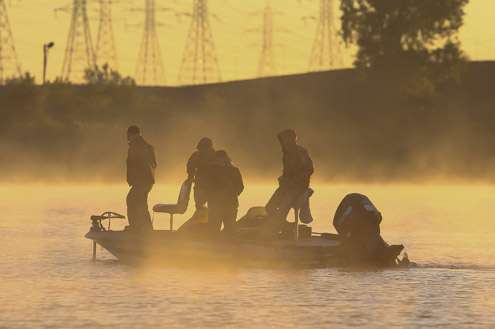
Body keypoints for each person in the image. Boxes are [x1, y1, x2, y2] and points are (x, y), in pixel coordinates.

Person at [265, 129, 314, 225]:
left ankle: (282, 227)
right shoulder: (286, 153)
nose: (283, 142)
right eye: (282, 140)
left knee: (282, 209)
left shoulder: (301, 152)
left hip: (298, 188)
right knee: (269, 208)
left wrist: (294, 181)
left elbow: (309, 170)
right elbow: (288, 172)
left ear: (291, 139)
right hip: (285, 187)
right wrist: (283, 179)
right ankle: (282, 226)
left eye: (285, 139)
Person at [126, 125, 157, 232]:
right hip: (147, 180)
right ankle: (145, 228)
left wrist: (136, 176)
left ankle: (136, 227)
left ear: (133, 134)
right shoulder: (146, 146)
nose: (127, 137)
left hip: (141, 180)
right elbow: (154, 164)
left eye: (128, 134)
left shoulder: (137, 146)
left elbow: (134, 163)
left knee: (132, 201)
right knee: (140, 203)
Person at [206, 150, 244, 233]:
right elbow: (240, 187)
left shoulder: (234, 170)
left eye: (221, 159)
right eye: (218, 159)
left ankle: (226, 243)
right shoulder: (211, 171)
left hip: (228, 204)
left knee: (228, 229)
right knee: (215, 229)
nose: (220, 161)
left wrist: (231, 193)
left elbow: (240, 187)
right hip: (218, 205)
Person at [187, 137, 216, 209]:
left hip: (206, 185)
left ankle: (203, 216)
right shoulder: (214, 155)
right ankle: (203, 217)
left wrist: (191, 177)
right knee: (207, 207)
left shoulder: (197, 154)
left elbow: (190, 166)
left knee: (201, 206)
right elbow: (190, 166)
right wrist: (191, 176)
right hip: (205, 185)